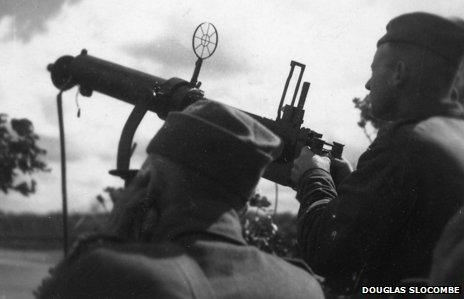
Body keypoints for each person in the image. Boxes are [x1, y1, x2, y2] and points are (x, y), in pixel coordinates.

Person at [36, 100, 324, 298]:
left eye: (140, 178)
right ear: (243, 206)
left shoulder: (109, 275)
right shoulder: (303, 287)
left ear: (147, 182)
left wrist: (113, 234)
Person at [290, 12, 464, 293]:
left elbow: (326, 249)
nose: (369, 85)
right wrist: (351, 185)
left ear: (398, 73)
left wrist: (314, 178)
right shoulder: (454, 135)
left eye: (373, 70)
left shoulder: (405, 145)